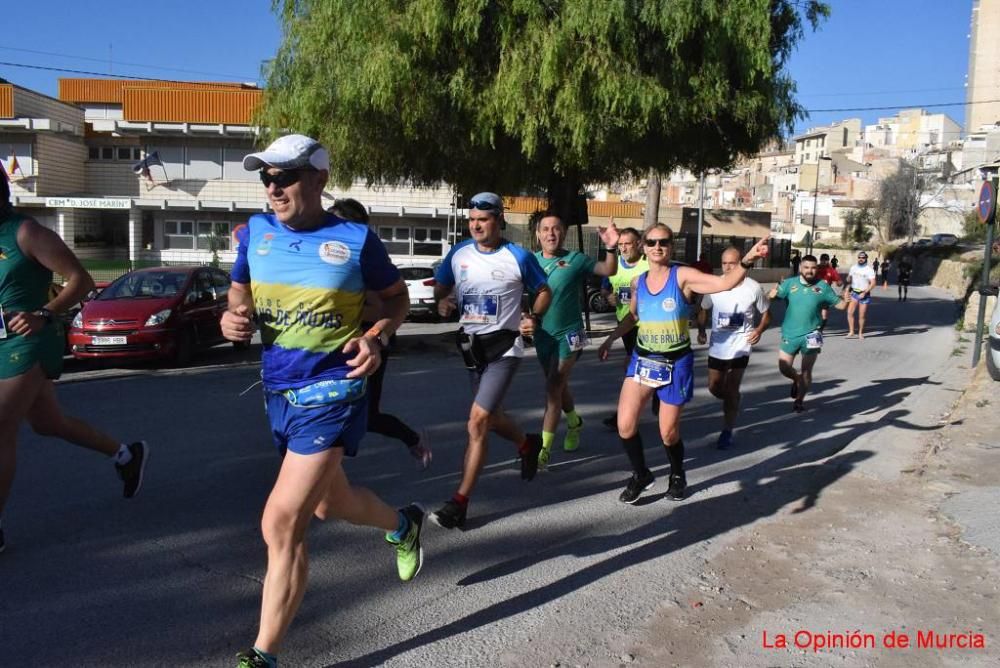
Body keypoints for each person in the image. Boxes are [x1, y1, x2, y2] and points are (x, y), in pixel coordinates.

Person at [222, 135, 423, 668]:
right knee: (330, 504)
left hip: (334, 391)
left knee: (281, 521)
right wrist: (232, 316)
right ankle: (403, 525)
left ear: (318, 179)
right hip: (278, 390)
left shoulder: (356, 240)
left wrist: (378, 335)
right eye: (265, 177)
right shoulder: (256, 233)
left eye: (283, 176)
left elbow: (398, 299)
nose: (272, 187)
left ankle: (264, 654)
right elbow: (239, 292)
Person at [0, 164, 147, 555]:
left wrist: (44, 313)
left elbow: (79, 279)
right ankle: (126, 455)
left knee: (1, 427)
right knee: (49, 423)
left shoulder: (25, 233)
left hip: (28, 339)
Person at [598, 225, 770, 504]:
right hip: (643, 359)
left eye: (663, 242)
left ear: (671, 246)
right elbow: (632, 318)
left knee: (668, 432)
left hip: (675, 362)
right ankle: (641, 474)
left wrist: (747, 260)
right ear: (644, 246)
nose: (657, 247)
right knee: (625, 424)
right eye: (651, 242)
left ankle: (677, 474)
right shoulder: (638, 282)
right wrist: (610, 339)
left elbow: (723, 283)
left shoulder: (683, 277)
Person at [429, 192, 551, 529]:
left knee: (477, 422)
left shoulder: (518, 256)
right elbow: (441, 290)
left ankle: (459, 502)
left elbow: (543, 291)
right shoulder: (459, 253)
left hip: (505, 348)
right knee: (492, 417)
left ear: (498, 220)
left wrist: (534, 319)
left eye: (482, 220)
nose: (475, 225)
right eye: (472, 220)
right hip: (472, 349)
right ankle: (527, 443)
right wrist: (444, 303)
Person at [330, 197, 431, 470]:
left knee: (365, 415)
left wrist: (336, 313)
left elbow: (378, 308)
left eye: (338, 223)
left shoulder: (363, 259)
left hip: (368, 343)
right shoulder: (331, 259)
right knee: (333, 407)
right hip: (341, 344)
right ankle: (328, 468)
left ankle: (411, 438)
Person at [522, 212, 619, 469]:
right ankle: (574, 421)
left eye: (556, 228)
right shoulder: (529, 261)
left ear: (563, 233)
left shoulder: (575, 259)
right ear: (538, 234)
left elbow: (609, 269)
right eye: (545, 229)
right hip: (543, 335)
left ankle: (543, 450)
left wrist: (611, 246)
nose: (551, 233)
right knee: (559, 385)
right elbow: (519, 294)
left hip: (571, 334)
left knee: (553, 387)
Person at [695, 247, 771, 450]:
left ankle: (727, 430)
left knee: (731, 388)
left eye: (732, 263)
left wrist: (759, 330)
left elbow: (766, 314)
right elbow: (703, 309)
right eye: (724, 263)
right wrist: (702, 330)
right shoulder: (715, 285)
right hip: (718, 346)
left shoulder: (753, 287)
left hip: (742, 345)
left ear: (742, 263)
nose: (728, 267)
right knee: (714, 387)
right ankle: (733, 401)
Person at [767, 254, 849, 413]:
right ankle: (796, 379)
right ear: (800, 268)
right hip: (790, 333)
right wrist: (770, 296)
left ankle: (799, 400)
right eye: (806, 267)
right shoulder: (789, 284)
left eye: (813, 268)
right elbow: (771, 297)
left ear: (816, 269)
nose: (810, 271)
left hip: (812, 335)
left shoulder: (823, 287)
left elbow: (841, 306)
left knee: (807, 371)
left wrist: (846, 300)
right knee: (784, 367)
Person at [600, 227, 648, 429]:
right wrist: (608, 296)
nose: (624, 248)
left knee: (633, 367)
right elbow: (604, 287)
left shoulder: (648, 264)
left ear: (637, 244)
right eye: (620, 244)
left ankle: (625, 414)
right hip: (625, 323)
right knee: (636, 368)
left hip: (646, 324)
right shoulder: (614, 265)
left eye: (627, 243)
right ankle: (644, 401)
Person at [845, 251, 877, 339]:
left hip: (864, 294)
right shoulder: (853, 268)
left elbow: (873, 283)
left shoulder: (869, 270)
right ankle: (851, 331)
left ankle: (860, 333)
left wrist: (865, 292)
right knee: (850, 313)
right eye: (859, 257)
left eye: (863, 258)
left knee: (861, 315)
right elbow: (849, 279)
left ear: (866, 259)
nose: (861, 259)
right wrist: (847, 287)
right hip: (854, 293)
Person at [816, 253, 842, 330]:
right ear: (820, 260)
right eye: (822, 260)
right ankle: (813, 327)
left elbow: (839, 281)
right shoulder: (815, 268)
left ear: (828, 261)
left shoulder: (831, 270)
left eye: (826, 260)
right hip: (814, 294)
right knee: (813, 312)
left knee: (824, 314)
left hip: (825, 295)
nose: (824, 262)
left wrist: (839, 283)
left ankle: (820, 330)